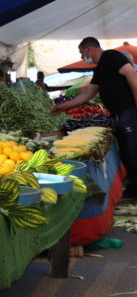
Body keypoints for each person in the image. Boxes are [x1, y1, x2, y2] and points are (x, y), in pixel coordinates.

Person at [52, 37, 137, 197]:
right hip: (117, 114)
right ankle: (133, 187)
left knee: (132, 149)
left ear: (88, 49)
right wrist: (63, 106)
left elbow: (132, 74)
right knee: (126, 149)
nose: (81, 57)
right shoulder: (99, 68)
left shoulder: (111, 56)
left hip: (128, 111)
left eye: (81, 53)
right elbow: (89, 93)